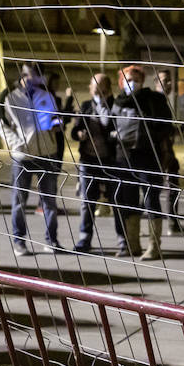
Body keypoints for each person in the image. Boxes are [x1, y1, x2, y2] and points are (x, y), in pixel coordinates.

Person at [112, 64, 179, 259]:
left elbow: (167, 126)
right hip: (125, 157)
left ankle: (154, 246)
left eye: (135, 79)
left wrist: (148, 132)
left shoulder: (154, 99)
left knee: (151, 199)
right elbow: (111, 122)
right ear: (121, 82)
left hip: (149, 157)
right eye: (127, 80)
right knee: (129, 200)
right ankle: (133, 244)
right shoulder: (118, 102)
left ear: (142, 81)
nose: (131, 83)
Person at [0, 62, 64, 256]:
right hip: (23, 157)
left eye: (36, 76)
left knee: (49, 201)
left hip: (46, 154)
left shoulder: (47, 96)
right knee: (19, 200)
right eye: (29, 75)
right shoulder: (10, 97)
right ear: (22, 76)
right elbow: (2, 124)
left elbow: (54, 118)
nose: (32, 80)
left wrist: (56, 124)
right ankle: (19, 241)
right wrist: (18, 143)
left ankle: (51, 240)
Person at [70, 73, 122, 254]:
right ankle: (85, 238)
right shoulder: (86, 105)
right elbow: (75, 130)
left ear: (108, 87)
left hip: (110, 161)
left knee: (116, 200)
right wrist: (79, 134)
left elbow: (114, 127)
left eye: (101, 85)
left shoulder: (116, 105)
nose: (97, 89)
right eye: (94, 85)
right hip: (88, 161)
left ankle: (123, 239)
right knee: (87, 201)